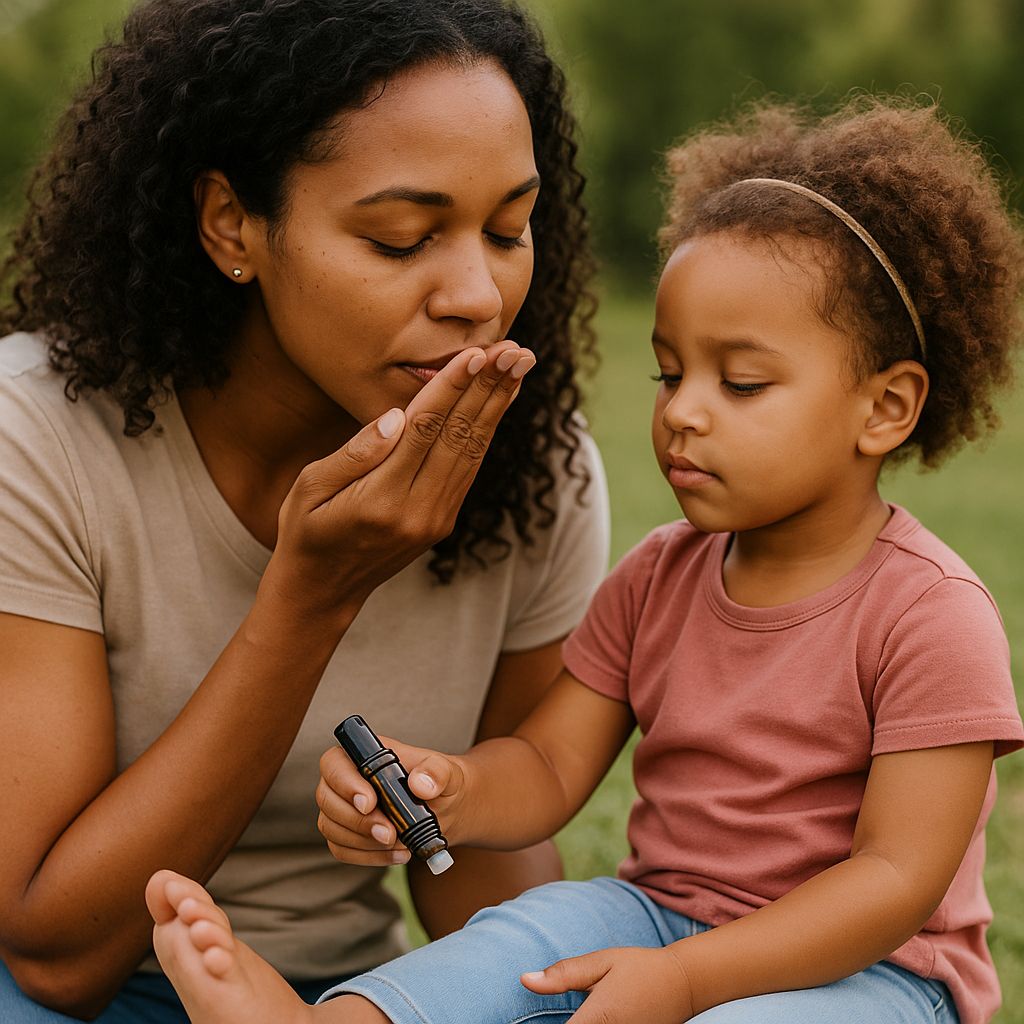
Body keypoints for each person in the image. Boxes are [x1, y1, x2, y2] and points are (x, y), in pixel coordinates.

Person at [148, 95, 1024, 1024]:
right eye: (669, 372)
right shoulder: (661, 577)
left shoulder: (931, 613)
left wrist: (694, 982)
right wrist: (448, 787)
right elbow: (548, 764)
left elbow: (893, 882)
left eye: (741, 383)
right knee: (523, 937)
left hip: (871, 976)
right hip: (656, 913)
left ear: (886, 408)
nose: (683, 411)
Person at [0, 0, 611, 1020]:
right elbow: (56, 955)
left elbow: (471, 867)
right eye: (400, 237)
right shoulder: (39, 441)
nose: (475, 292)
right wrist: (311, 597)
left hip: (343, 999)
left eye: (509, 227)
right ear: (232, 223)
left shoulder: (532, 470)